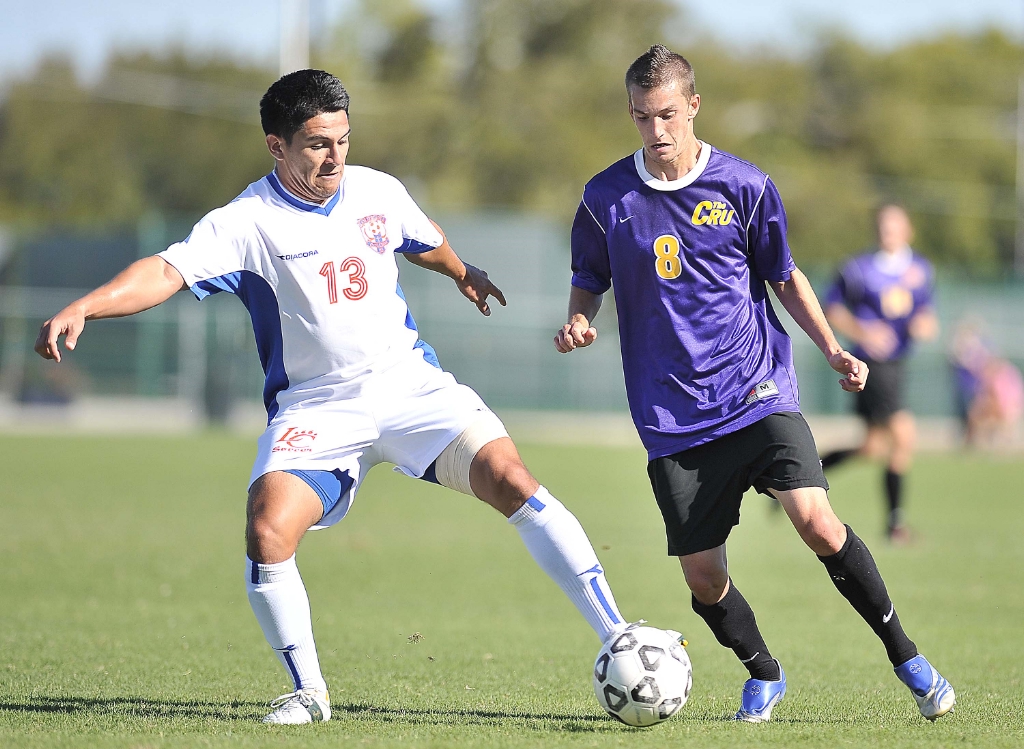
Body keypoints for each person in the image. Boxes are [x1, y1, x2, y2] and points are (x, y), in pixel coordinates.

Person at [35, 69, 645, 725]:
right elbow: (164, 271)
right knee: (268, 529)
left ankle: (619, 636)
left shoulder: (377, 190)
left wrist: (463, 271)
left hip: (409, 386)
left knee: (513, 479)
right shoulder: (245, 222)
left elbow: (423, 237)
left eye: (343, 140)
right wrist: (87, 306)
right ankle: (309, 692)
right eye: (318, 144)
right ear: (276, 146)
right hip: (317, 407)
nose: (335, 157)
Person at [554, 44, 954, 723]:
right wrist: (578, 319)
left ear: (694, 106)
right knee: (704, 579)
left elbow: (784, 276)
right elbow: (589, 279)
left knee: (817, 522)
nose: (656, 130)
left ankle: (908, 659)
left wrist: (833, 348)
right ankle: (763, 672)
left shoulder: (744, 185)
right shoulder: (604, 199)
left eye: (667, 114)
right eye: (642, 117)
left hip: (755, 388)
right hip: (671, 414)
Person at [819, 205, 939, 540]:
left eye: (895, 226)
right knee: (903, 436)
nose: (889, 232)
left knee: (871, 447)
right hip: (871, 366)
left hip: (898, 365)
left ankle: (799, 477)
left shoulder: (920, 269)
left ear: (908, 230)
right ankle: (895, 524)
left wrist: (924, 325)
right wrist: (864, 332)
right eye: (884, 226)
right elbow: (831, 309)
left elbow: (926, 314)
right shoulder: (857, 269)